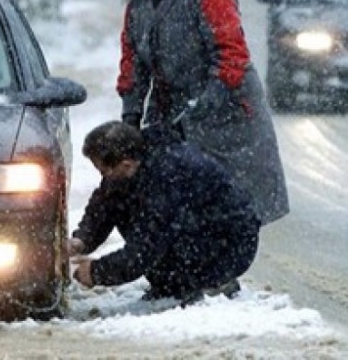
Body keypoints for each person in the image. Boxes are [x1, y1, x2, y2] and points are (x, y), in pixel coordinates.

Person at [117, 0, 288, 226]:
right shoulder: (138, 2)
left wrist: (201, 107)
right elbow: (133, 65)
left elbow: (231, 59)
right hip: (172, 105)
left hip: (227, 113)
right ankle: (183, 267)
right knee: (165, 193)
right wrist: (131, 118)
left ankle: (221, 266)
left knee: (225, 202)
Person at [69, 121, 260, 305]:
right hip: (192, 230)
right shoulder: (135, 162)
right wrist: (82, 240)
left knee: (159, 242)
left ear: (126, 164)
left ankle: (209, 282)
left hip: (227, 245)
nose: (104, 177)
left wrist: (97, 272)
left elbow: (147, 246)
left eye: (104, 171)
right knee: (124, 200)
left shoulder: (168, 175)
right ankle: (171, 281)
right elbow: (105, 203)